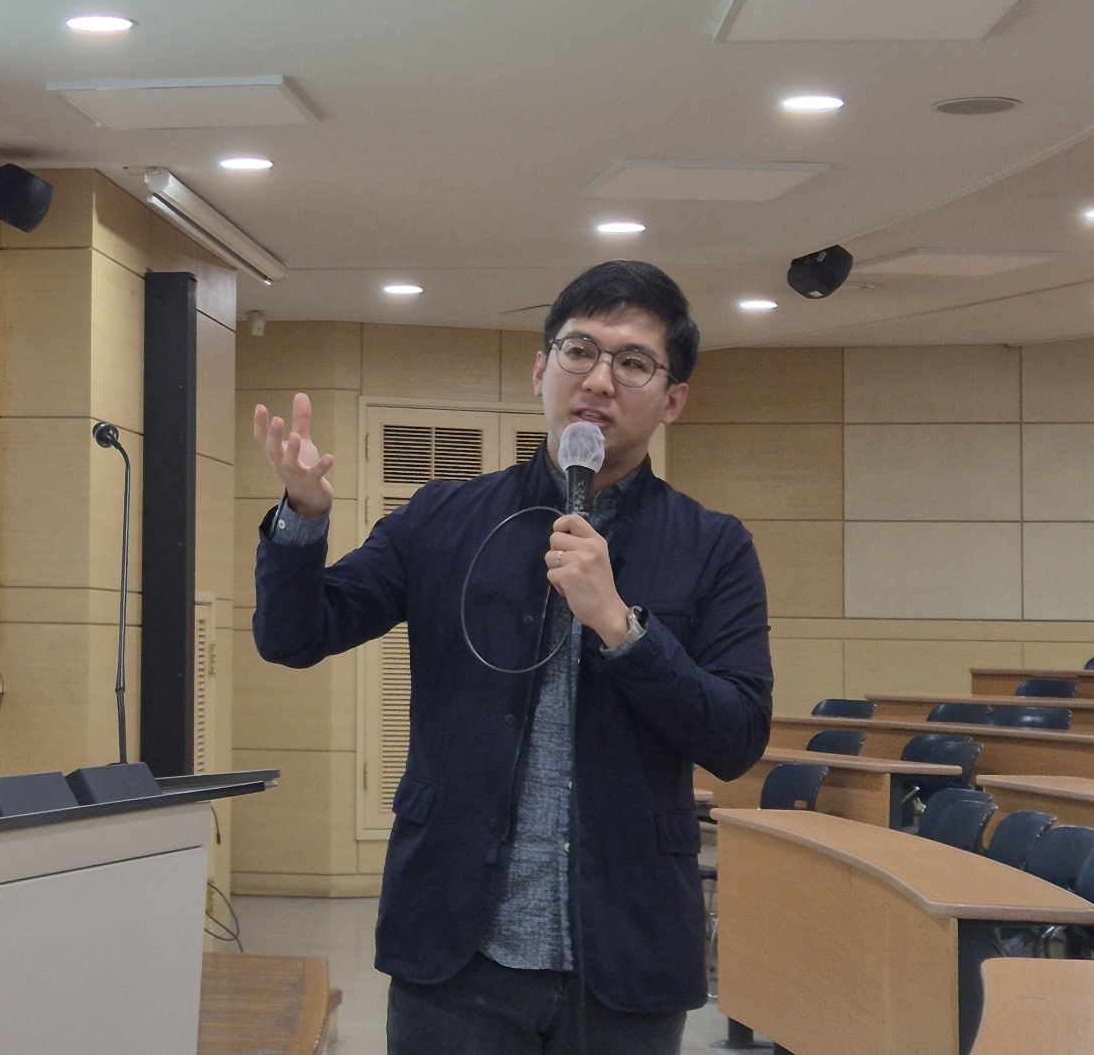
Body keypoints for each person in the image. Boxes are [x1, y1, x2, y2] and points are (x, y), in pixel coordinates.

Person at [250, 260, 771, 1054]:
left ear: (671, 400)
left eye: (633, 362)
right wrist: (301, 517)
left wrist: (620, 627)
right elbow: (293, 635)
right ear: (539, 370)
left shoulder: (713, 546)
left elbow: (735, 736)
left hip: (624, 953)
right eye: (578, 350)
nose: (598, 379)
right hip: (454, 947)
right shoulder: (442, 517)